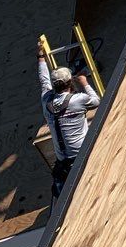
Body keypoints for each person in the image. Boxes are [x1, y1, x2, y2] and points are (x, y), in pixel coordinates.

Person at [38, 50, 100, 197]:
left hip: (63, 161)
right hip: (83, 153)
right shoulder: (78, 100)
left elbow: (44, 81)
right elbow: (96, 101)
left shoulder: (46, 100)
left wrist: (41, 58)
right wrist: (84, 81)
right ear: (70, 82)